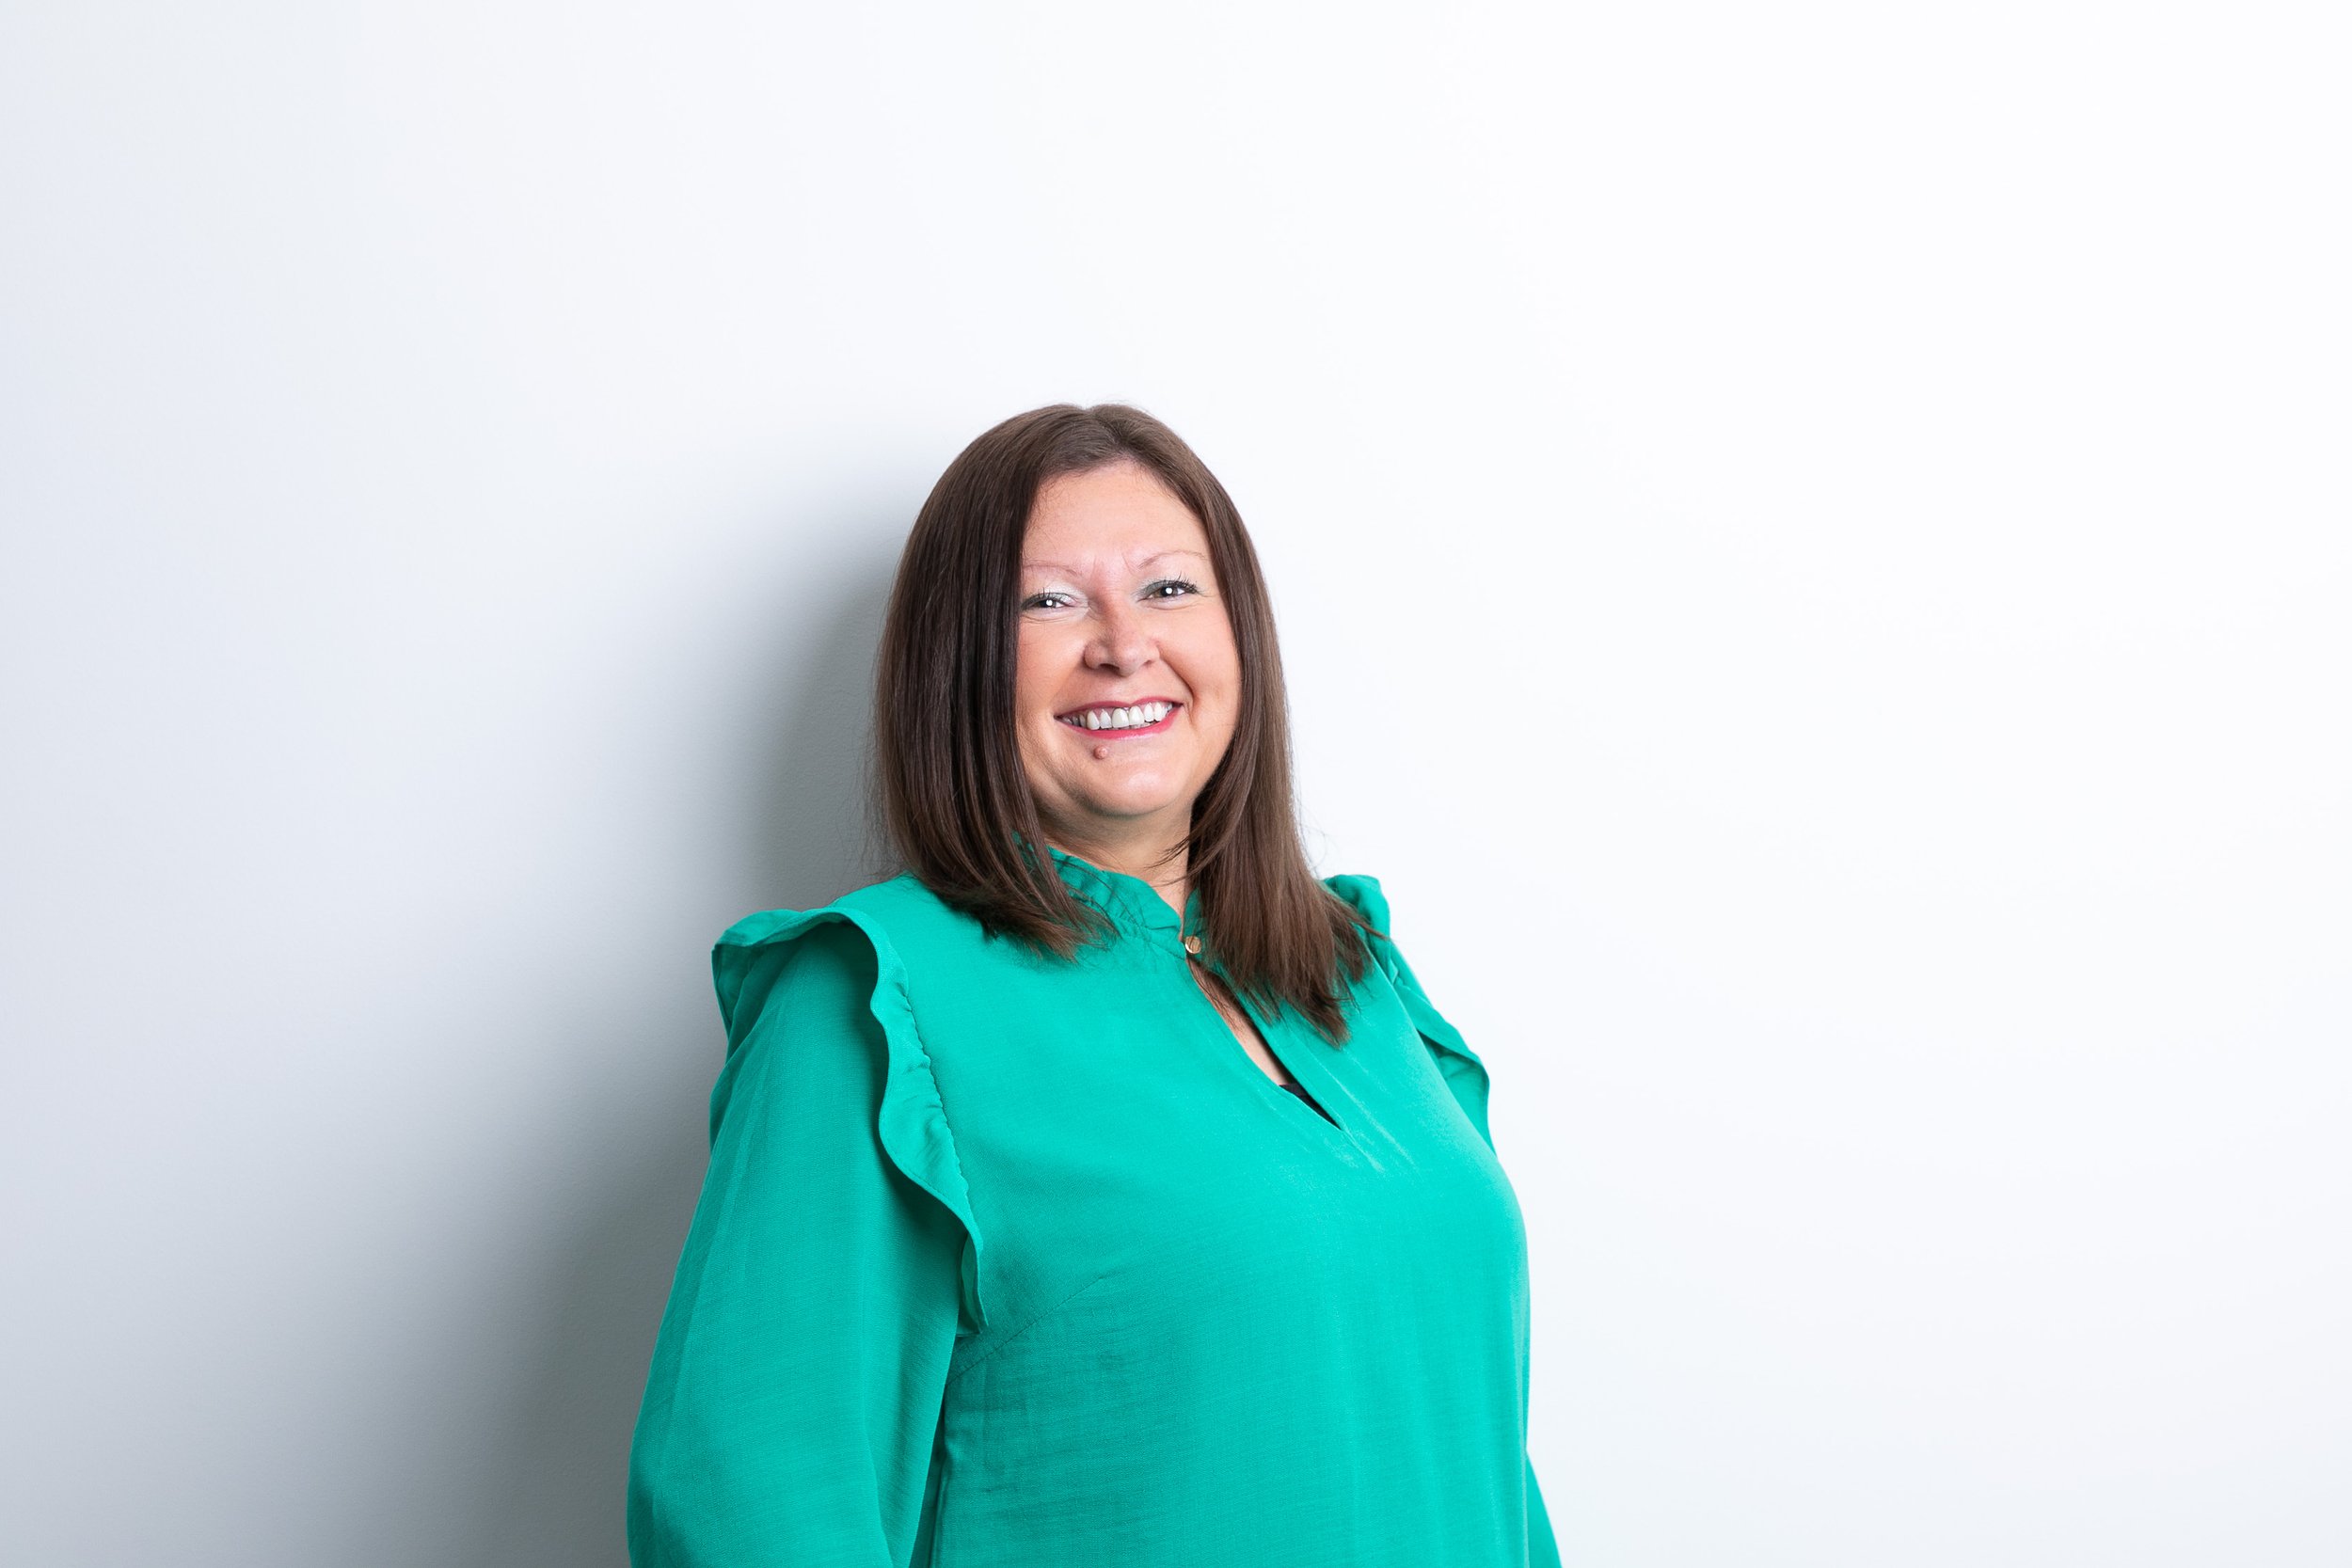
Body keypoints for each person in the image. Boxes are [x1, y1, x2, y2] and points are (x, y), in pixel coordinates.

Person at [625, 403, 1562, 1567]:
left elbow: (1476, 1453)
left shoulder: (1358, 972)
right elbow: (748, 1500)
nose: (1124, 643)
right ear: (956, 665)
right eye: (1047, 600)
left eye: (1170, 589)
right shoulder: (867, 1001)